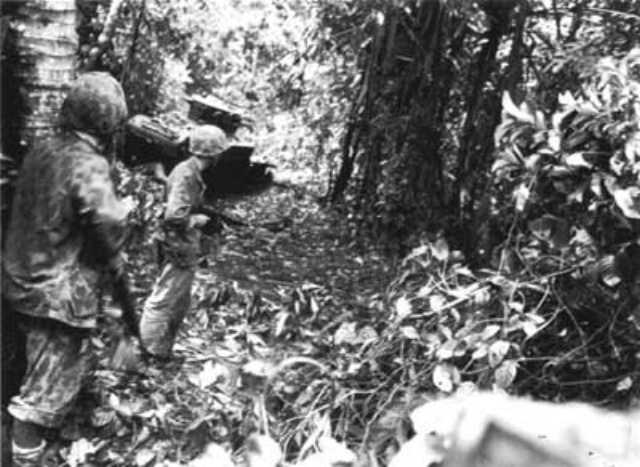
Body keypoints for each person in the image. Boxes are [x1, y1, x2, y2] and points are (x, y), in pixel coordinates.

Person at [2, 71, 137, 466]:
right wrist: (126, 214)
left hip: (15, 283)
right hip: (54, 297)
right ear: (109, 123)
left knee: (14, 385)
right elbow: (109, 232)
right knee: (38, 403)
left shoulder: (42, 150)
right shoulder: (89, 165)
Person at [139, 124, 229, 359]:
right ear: (214, 153)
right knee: (161, 301)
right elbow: (174, 215)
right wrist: (197, 220)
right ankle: (141, 354)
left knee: (179, 302)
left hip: (183, 246)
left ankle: (162, 350)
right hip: (177, 246)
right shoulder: (186, 174)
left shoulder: (189, 172)